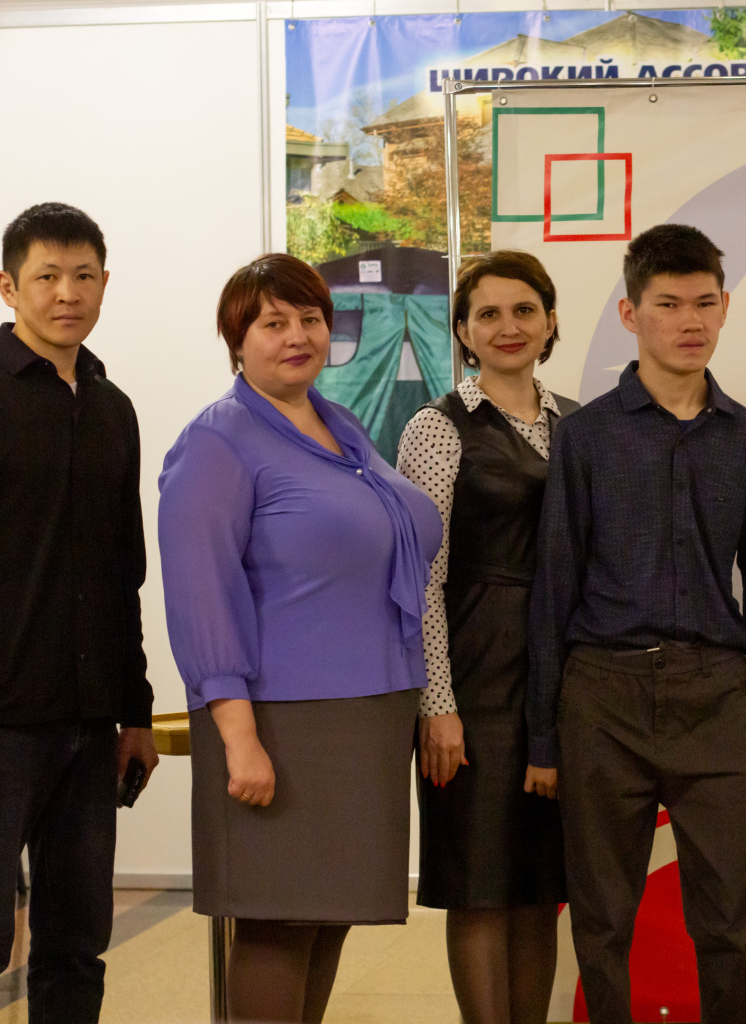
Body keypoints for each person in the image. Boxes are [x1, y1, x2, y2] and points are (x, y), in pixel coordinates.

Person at [158, 254, 441, 1024]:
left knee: (328, 913)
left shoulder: (340, 426)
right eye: (273, 323)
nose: (297, 336)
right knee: (278, 921)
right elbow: (200, 592)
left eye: (311, 319)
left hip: (366, 712)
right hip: (282, 718)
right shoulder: (219, 440)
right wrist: (239, 735)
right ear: (237, 341)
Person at [526, 224, 746, 1024]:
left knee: (731, 911)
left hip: (716, 694)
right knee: (602, 912)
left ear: (725, 308)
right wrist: (543, 737)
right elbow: (554, 585)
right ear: (630, 313)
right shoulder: (585, 436)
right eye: (669, 304)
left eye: (705, 303)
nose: (690, 321)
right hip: (601, 695)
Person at [0, 203, 157, 1024]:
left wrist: (135, 711)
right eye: (46, 276)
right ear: (8, 285)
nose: (67, 293)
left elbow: (123, 573)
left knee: (77, 945)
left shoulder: (113, 408)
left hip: (90, 724)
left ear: (105, 283)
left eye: (83, 276)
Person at [397, 251, 576, 1024]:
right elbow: (420, 578)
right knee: (480, 885)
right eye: (488, 314)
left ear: (550, 321)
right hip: (473, 676)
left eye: (524, 310)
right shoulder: (437, 427)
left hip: (562, 678)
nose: (509, 326)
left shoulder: (579, 423)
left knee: (541, 887)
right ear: (464, 332)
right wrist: (437, 705)